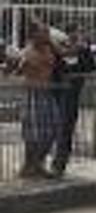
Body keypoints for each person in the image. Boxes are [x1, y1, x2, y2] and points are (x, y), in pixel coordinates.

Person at [12, 21, 61, 179]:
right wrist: (17, 65)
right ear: (33, 35)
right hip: (32, 93)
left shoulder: (49, 48)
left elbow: (64, 55)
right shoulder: (26, 52)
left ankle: (37, 163)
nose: (46, 34)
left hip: (47, 92)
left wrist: (50, 40)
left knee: (54, 129)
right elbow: (15, 69)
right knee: (33, 134)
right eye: (42, 32)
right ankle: (30, 166)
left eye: (46, 32)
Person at [48, 27, 96, 178]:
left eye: (76, 37)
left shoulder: (82, 53)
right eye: (71, 37)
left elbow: (91, 68)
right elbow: (52, 71)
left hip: (71, 98)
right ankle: (45, 161)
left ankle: (59, 164)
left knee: (66, 130)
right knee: (52, 129)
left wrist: (85, 49)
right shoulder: (58, 53)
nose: (73, 40)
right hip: (55, 96)